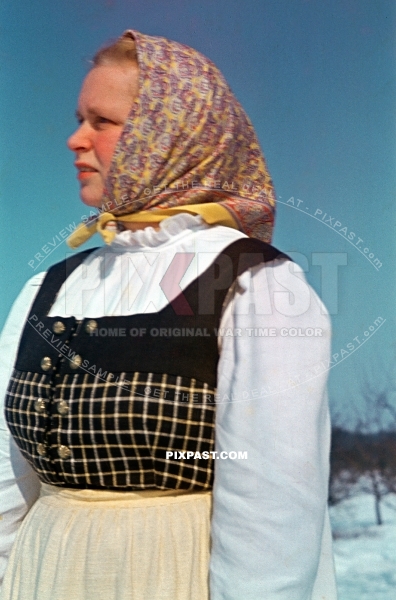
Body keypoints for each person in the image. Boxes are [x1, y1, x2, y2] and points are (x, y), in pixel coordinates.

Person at [0, 30, 337, 600]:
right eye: (80, 119)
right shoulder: (49, 286)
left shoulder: (256, 282)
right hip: (41, 574)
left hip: (169, 576)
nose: (75, 140)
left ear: (168, 135)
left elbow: (272, 503)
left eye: (101, 122)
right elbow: (9, 476)